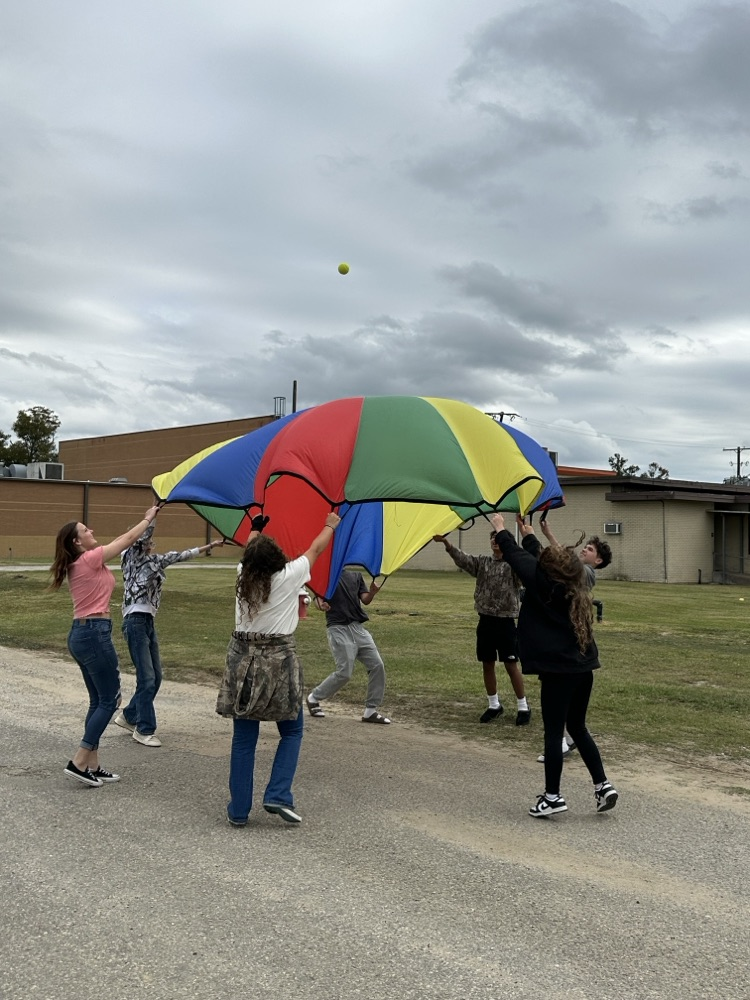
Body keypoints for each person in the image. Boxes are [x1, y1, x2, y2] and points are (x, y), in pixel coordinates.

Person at [216, 511, 341, 827]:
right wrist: (330, 524)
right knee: (292, 730)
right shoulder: (289, 576)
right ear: (277, 560)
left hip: (242, 660)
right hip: (278, 665)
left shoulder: (243, 575)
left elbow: (250, 553)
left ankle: (239, 810)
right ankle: (278, 794)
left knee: (244, 738)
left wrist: (255, 528)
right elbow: (316, 548)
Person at [492, 513, 618, 818]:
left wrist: (501, 529)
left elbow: (518, 557)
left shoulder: (542, 583)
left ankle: (552, 797)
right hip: (583, 670)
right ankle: (603, 785)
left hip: (559, 673)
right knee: (577, 726)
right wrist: (530, 532)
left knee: (553, 732)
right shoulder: (571, 581)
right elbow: (539, 557)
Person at [50, 504, 161, 787]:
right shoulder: (88, 559)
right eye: (86, 530)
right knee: (111, 700)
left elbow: (123, 548)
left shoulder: (82, 562)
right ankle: (78, 760)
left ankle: (93, 765)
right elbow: (124, 541)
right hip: (93, 634)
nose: (92, 531)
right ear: (77, 541)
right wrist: (147, 519)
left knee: (98, 701)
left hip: (83, 633)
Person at [113, 524, 225, 747]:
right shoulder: (130, 558)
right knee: (147, 679)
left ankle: (129, 716)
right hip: (134, 621)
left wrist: (211, 545)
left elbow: (181, 555)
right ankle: (144, 729)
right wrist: (154, 514)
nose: (149, 545)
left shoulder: (154, 562)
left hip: (147, 622)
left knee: (156, 677)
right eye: (146, 542)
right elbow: (138, 537)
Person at [433, 529, 531, 725]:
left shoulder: (514, 565)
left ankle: (523, 706)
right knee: (487, 663)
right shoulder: (483, 563)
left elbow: (528, 572)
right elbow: (463, 559)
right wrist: (447, 544)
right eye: (492, 539)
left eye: (499, 539)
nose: (495, 542)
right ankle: (494, 705)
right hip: (485, 620)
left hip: (506, 621)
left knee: (511, 664)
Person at [535, 520, 612, 763]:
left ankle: (560, 744)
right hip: (568, 639)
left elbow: (565, 562)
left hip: (571, 642)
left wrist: (548, 535)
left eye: (590, 550)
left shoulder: (587, 573)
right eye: (586, 546)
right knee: (566, 699)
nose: (584, 550)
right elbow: (561, 560)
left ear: (597, 561)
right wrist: (547, 533)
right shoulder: (577, 568)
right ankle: (566, 740)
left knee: (561, 695)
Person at [305, 570, 390, 724]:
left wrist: (372, 593)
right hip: (337, 628)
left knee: (377, 665)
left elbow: (365, 600)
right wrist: (320, 605)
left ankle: (370, 711)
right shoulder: (327, 574)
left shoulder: (355, 575)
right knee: (344, 672)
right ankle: (313, 698)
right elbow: (317, 598)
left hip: (358, 629)